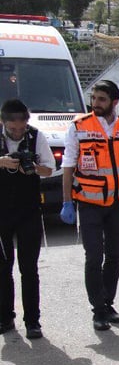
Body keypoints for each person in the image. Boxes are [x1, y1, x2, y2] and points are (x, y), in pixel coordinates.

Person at [61, 79, 119, 331]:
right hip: (89, 202)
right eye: (94, 98)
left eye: (101, 99)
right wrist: (67, 201)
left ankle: (108, 302)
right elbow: (69, 165)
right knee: (94, 256)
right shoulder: (79, 126)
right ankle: (97, 309)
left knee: (114, 256)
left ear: (114, 101)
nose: (95, 104)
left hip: (118, 203)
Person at [0, 99, 54, 339]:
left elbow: (50, 169)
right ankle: (5, 317)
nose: (18, 132)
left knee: (29, 268)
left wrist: (31, 166)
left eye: (22, 128)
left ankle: (33, 321)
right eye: (13, 129)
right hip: (2, 211)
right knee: (3, 268)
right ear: (3, 122)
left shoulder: (36, 136)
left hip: (29, 210)